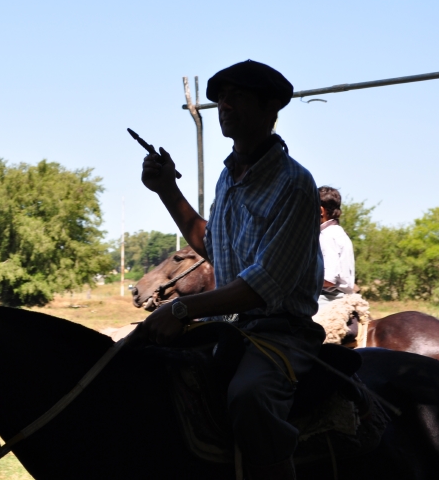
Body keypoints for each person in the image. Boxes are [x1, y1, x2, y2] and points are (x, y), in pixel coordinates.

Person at [138, 60, 325, 480]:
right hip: (228, 327)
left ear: (271, 107)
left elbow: (262, 285)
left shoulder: (294, 183)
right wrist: (167, 189)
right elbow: (213, 245)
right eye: (221, 98)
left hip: (280, 332)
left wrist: (180, 309)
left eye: (237, 96)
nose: (224, 105)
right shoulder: (229, 178)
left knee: (249, 397)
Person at [317, 186, 355, 307]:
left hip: (327, 299)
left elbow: (329, 279)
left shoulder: (326, 235)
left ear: (321, 211)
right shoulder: (338, 232)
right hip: (342, 296)